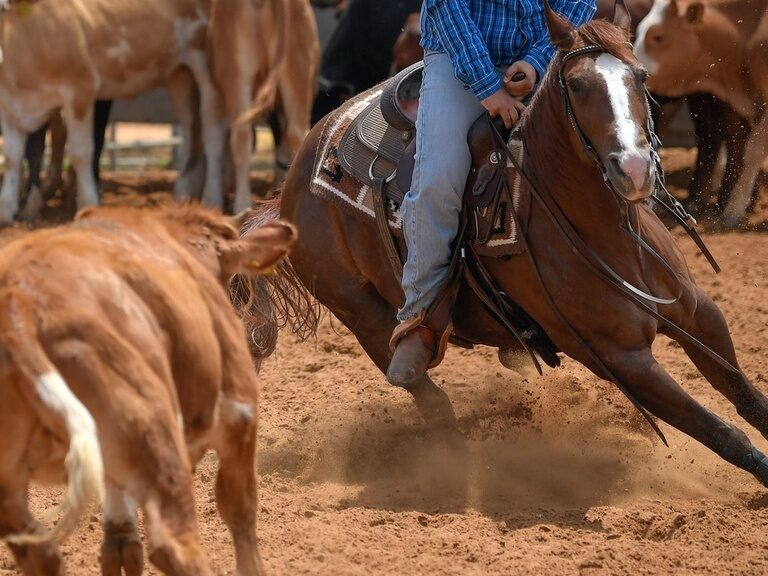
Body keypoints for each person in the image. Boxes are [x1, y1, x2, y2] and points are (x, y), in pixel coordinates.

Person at [387, 0, 597, 387]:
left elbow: (579, 2)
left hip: (541, 55)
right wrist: (488, 87)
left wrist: (537, 60)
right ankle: (421, 317)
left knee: (599, 157)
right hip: (457, 61)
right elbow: (447, 8)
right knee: (438, 179)